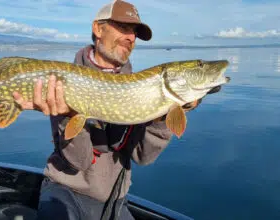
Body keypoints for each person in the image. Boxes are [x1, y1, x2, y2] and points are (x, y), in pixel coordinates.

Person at [13, 0, 200, 219]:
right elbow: (80, 161)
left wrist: (164, 116)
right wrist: (66, 115)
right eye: (123, 27)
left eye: (134, 32)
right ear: (98, 29)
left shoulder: (141, 89)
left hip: (116, 200)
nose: (131, 37)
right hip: (65, 192)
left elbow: (142, 156)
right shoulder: (64, 83)